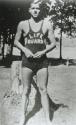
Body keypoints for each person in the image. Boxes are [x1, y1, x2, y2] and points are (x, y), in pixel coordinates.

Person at [14, 0, 56, 124]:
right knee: (26, 90)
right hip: (27, 62)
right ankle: (23, 117)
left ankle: (48, 120)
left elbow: (53, 43)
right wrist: (24, 49)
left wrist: (43, 52)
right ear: (29, 10)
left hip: (42, 62)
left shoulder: (47, 24)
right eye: (33, 8)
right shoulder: (23, 24)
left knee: (43, 89)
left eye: (37, 8)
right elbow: (16, 41)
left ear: (40, 10)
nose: (35, 10)